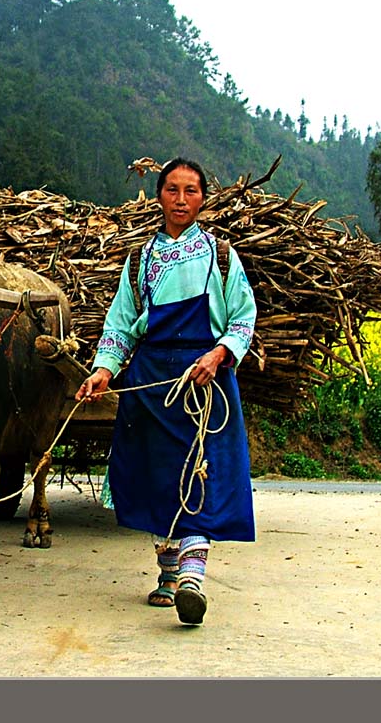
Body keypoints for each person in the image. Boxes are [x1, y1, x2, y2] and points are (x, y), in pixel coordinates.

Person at [75, 157, 257, 626]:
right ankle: (168, 572)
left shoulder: (221, 256)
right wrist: (103, 371)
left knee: (203, 474)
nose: (181, 199)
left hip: (206, 383)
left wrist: (217, 356)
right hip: (153, 380)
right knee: (157, 476)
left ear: (202, 198)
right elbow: (120, 325)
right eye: (172, 190)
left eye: (191, 191)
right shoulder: (140, 262)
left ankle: (192, 578)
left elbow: (242, 318)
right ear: (159, 196)